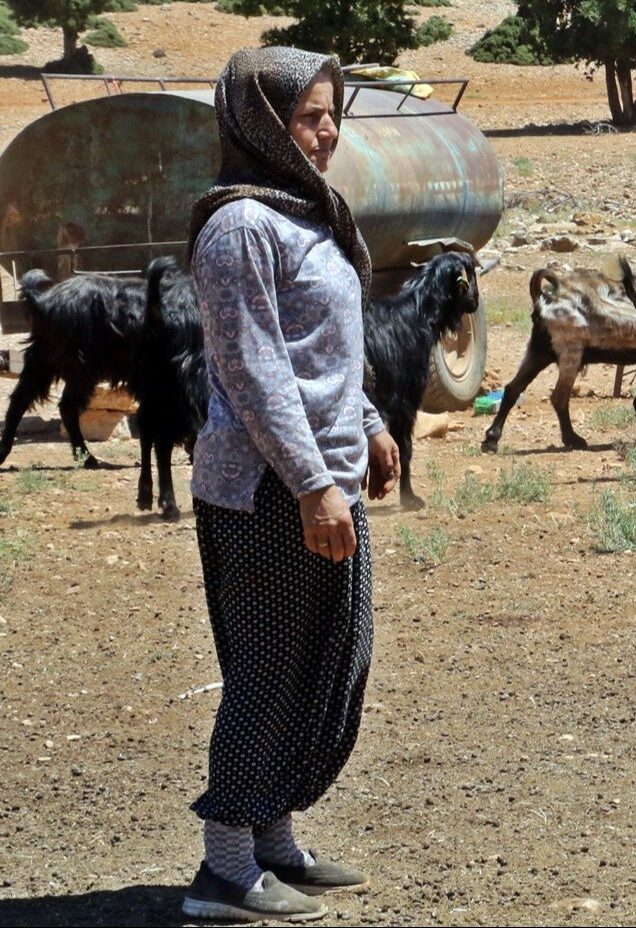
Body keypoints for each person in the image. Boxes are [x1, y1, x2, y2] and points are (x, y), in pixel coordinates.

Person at [182, 48, 398, 924]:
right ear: (262, 125)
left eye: (332, 113)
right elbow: (255, 369)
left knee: (329, 659)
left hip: (323, 477)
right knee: (269, 668)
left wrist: (370, 421)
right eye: (309, 116)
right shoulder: (239, 227)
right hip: (268, 487)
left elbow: (324, 350)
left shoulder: (305, 211)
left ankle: (273, 839)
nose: (329, 130)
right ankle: (224, 866)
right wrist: (312, 482)